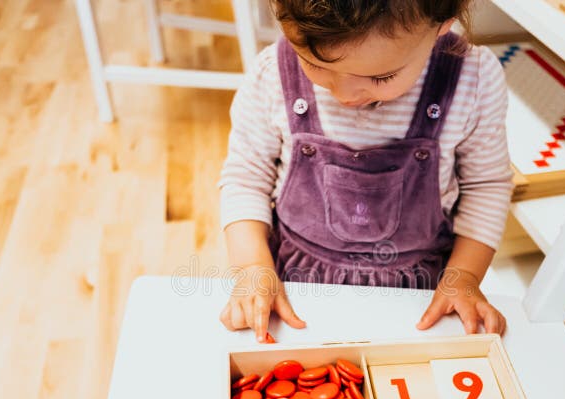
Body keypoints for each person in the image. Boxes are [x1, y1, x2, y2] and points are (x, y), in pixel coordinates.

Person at [218, 0, 513, 342]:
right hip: (293, 286)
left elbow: (486, 186)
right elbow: (245, 178)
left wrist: (463, 277)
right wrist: (252, 268)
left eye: (380, 77)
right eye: (315, 64)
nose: (344, 95)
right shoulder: (272, 72)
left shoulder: (472, 79)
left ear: (440, 24)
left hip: (418, 296)